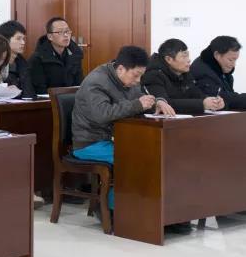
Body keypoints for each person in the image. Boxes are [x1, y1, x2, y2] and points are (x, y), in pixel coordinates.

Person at [72, 46, 175, 215]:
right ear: (121, 68)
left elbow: (140, 99)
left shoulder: (128, 80)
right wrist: (138, 105)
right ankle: (110, 210)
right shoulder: (96, 82)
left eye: (141, 76)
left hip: (117, 138)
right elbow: (102, 114)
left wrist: (157, 101)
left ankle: (157, 211)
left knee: (157, 154)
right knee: (133, 160)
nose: (138, 81)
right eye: (136, 75)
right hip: (90, 142)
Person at [142, 39, 226, 115]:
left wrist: (213, 102)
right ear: (169, 59)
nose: (189, 60)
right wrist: (202, 104)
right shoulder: (153, 75)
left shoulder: (185, 74)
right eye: (184, 56)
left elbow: (197, 95)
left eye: (188, 56)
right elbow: (165, 103)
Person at [190, 36, 246, 111]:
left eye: (235, 60)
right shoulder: (202, 71)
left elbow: (230, 98)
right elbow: (223, 98)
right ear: (217, 55)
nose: (233, 64)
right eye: (230, 60)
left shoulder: (221, 70)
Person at [27, 17, 83, 95]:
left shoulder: (76, 55)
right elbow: (40, 90)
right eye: (60, 32)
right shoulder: (38, 58)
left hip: (71, 99)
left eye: (67, 31)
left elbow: (79, 84)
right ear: (50, 36)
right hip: (48, 100)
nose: (66, 35)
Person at [0, 20, 35, 98]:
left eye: (23, 39)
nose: (23, 42)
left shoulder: (23, 63)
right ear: (5, 40)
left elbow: (29, 93)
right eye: (18, 39)